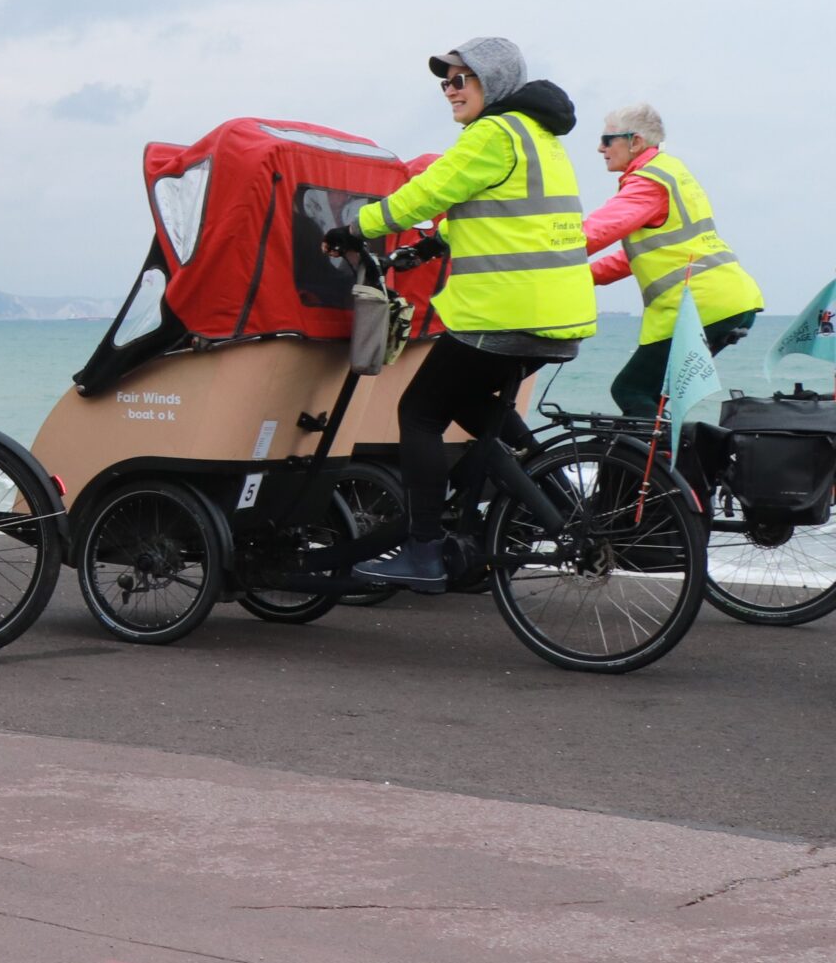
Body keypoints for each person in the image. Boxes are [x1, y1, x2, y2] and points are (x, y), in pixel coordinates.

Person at [326, 37, 598, 592]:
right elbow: (501, 211)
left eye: (460, 80)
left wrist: (353, 230)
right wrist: (432, 245)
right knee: (473, 406)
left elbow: (426, 194)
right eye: (444, 83)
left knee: (420, 412)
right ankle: (544, 502)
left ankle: (424, 550)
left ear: (491, 82)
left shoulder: (493, 133)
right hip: (557, 317)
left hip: (502, 316)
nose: (450, 91)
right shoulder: (537, 137)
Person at [582, 103, 764, 419]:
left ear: (635, 141)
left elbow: (593, 233)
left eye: (607, 139)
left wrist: (540, 260)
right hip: (730, 301)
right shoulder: (670, 171)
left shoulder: (648, 181)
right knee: (652, 395)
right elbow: (634, 256)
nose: (600, 148)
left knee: (631, 390)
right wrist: (583, 276)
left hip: (703, 305)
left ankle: (662, 452)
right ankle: (662, 450)